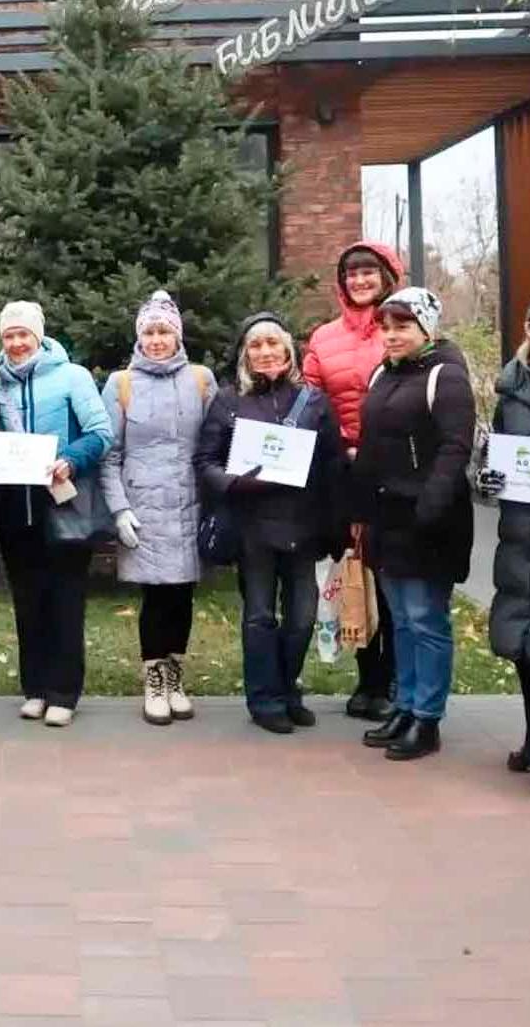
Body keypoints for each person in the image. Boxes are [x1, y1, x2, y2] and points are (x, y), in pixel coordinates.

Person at [194, 312, 348, 735]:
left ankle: (286, 688)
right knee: (260, 616)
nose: (265, 353)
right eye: (255, 346)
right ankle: (265, 699)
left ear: (288, 350)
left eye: (272, 344)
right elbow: (205, 461)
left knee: (301, 617)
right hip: (253, 527)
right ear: (245, 354)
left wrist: (338, 525)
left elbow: (334, 466)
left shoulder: (313, 401)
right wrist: (233, 483)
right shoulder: (229, 401)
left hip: (305, 526)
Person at [352, 288, 474, 761]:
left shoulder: (446, 375)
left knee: (426, 620)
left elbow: (454, 449)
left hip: (428, 520)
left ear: (427, 328)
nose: (391, 335)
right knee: (400, 619)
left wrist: (429, 508)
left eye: (402, 326)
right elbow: (370, 444)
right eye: (385, 326)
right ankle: (404, 706)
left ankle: (427, 719)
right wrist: (358, 510)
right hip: (386, 516)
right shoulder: (384, 373)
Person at [0, 301, 113, 728]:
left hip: (64, 504)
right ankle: (35, 689)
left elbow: (102, 433)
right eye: (9, 335)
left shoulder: (72, 377)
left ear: (39, 336)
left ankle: (64, 692)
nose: (18, 343)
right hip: (15, 508)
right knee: (28, 601)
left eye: (24, 334)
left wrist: (71, 460)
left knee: (64, 599)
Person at [99, 290, 216, 725]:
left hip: (189, 503)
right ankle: (153, 677)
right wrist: (119, 510)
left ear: (178, 336)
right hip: (143, 505)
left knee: (182, 593)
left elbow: (215, 443)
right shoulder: (121, 383)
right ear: (138, 337)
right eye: (148, 331)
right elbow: (109, 453)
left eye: (164, 331)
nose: (156, 339)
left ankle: (175, 676)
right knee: (155, 595)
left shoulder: (201, 380)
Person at [303, 242, 404, 721]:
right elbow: (310, 399)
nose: (360, 280)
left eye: (369, 272)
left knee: (394, 576)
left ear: (388, 275)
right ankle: (369, 680)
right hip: (346, 472)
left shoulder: (402, 331)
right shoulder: (323, 338)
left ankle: (399, 679)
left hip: (397, 469)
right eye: (352, 273)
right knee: (356, 573)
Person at [480, 303, 530, 771]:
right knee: (522, 645)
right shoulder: (511, 391)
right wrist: (491, 478)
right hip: (521, 537)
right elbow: (494, 458)